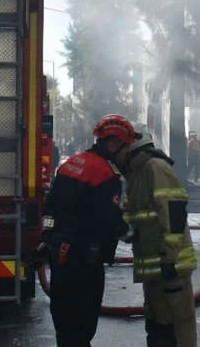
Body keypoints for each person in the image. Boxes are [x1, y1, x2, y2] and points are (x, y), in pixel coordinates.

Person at [39, 114, 135, 347]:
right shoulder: (106, 174)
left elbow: (49, 209)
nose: (127, 153)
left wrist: (46, 237)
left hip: (59, 255)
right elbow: (109, 219)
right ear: (113, 143)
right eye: (126, 147)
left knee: (63, 322)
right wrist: (131, 234)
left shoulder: (70, 164)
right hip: (85, 261)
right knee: (82, 325)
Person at [117, 132, 198, 347]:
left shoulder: (155, 167)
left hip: (171, 267)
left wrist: (170, 258)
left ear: (130, 147)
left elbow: (173, 212)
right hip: (154, 269)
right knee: (158, 327)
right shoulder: (136, 173)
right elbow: (138, 214)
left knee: (178, 328)